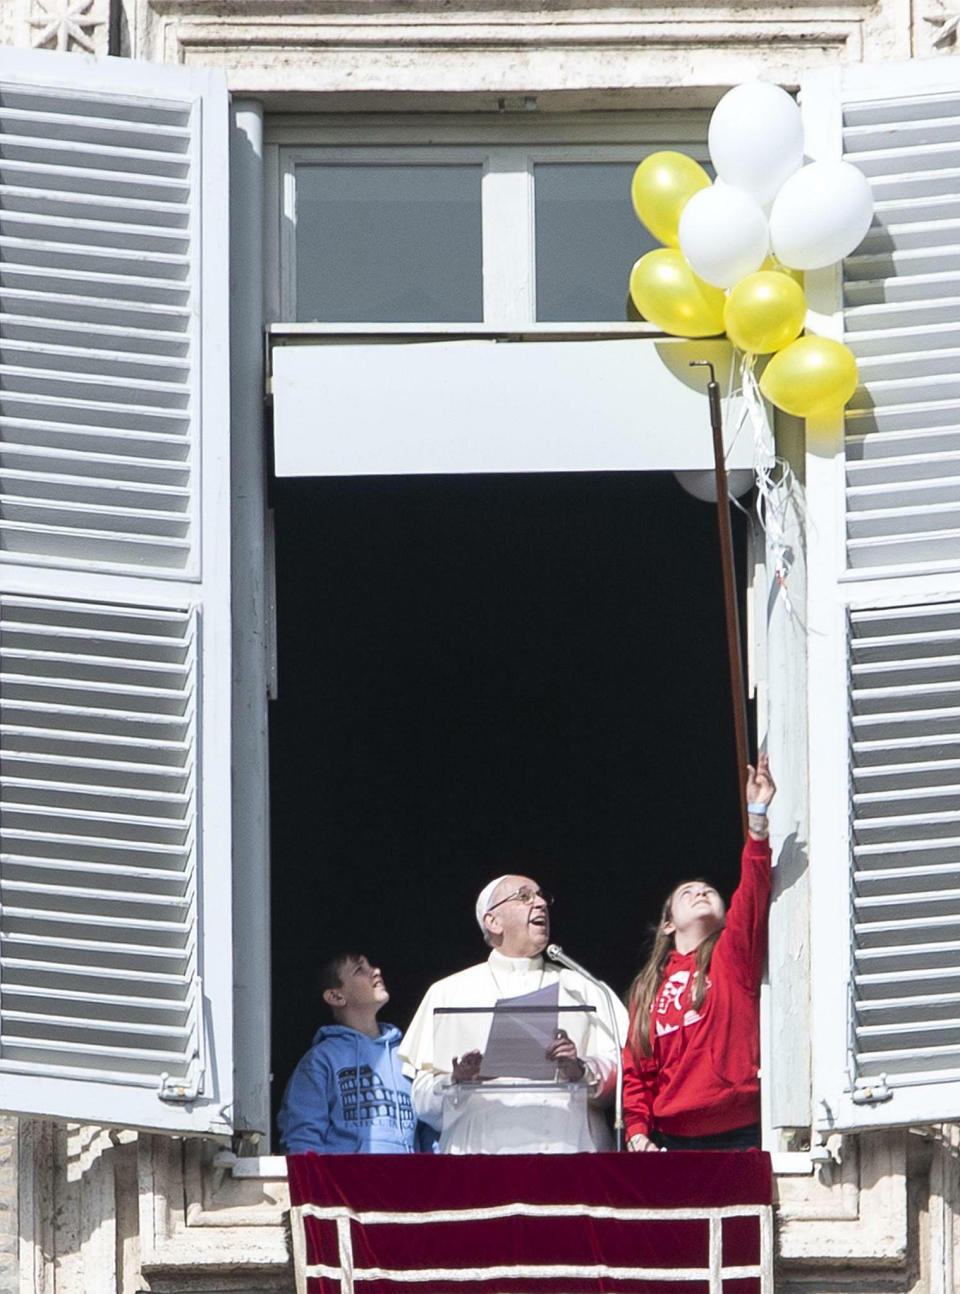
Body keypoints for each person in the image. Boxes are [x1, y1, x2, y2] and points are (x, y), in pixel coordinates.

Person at [399, 874, 629, 1153]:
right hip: (480, 1159)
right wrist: (457, 1079)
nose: (541, 903)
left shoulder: (585, 988)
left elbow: (623, 1077)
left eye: (542, 896)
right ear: (492, 921)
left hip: (569, 1153)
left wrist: (579, 1069)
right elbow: (422, 1102)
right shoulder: (447, 992)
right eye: (524, 897)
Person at [622, 755, 776, 1151]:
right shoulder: (649, 986)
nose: (701, 892)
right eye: (686, 893)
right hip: (670, 1137)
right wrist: (637, 1132)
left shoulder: (731, 954)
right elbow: (637, 1069)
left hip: (739, 1131)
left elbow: (754, 889)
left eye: (708, 890)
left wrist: (757, 819)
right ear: (668, 924)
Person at [278, 952, 430, 1154]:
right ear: (336, 996)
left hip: (406, 1183)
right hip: (346, 1183)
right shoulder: (320, 1060)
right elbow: (303, 1141)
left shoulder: (407, 1054)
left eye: (371, 965)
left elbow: (430, 1129)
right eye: (360, 970)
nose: (376, 971)